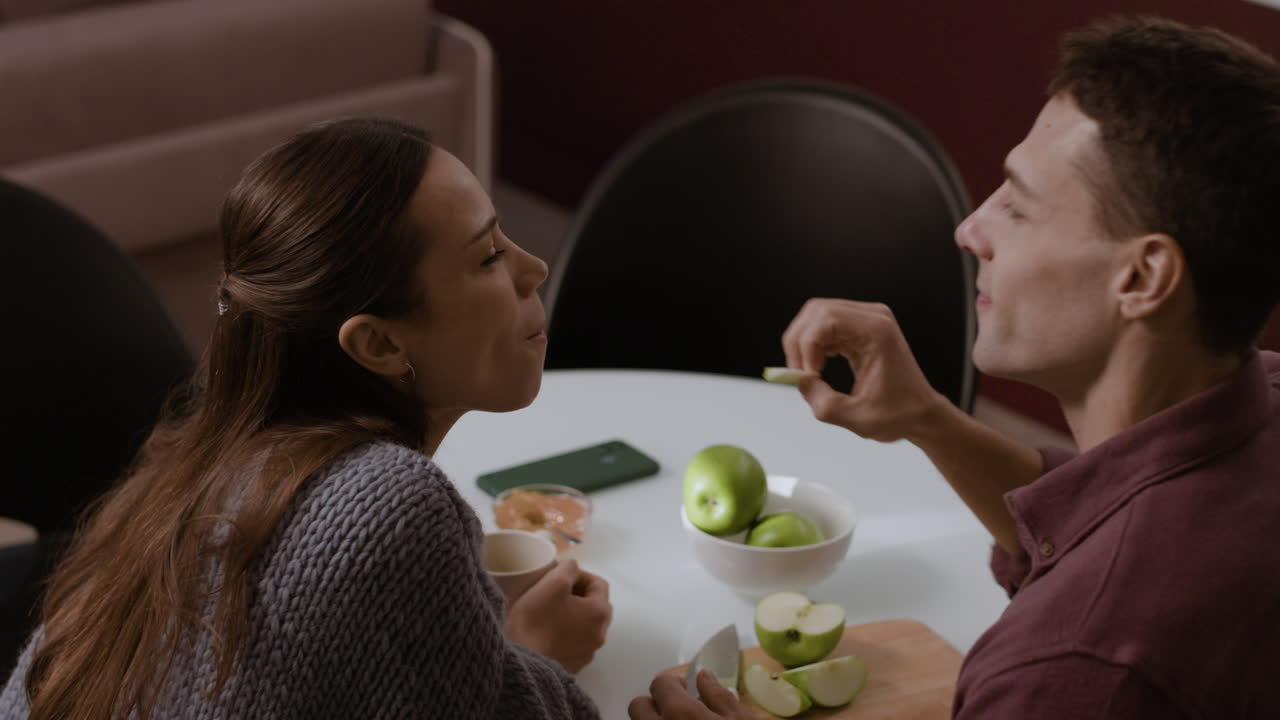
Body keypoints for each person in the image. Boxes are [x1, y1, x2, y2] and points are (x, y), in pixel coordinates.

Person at [630, 15, 1280, 720]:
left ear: (1143, 277)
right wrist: (927, 419)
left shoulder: (1071, 673)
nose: (970, 230)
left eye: (1019, 207)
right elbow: (1085, 526)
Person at [0, 118, 612, 719]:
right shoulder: (388, 507)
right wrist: (532, 657)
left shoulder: (188, 467)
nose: (535, 268)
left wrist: (508, 652)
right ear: (378, 344)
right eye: (488, 257)